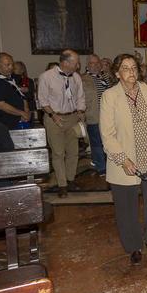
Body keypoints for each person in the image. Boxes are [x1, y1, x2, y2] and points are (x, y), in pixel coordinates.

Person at [101, 53, 147, 265]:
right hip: (125, 161)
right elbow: (107, 134)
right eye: (126, 68)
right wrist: (123, 159)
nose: (131, 72)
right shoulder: (110, 96)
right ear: (117, 73)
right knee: (126, 209)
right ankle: (133, 246)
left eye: (134, 68)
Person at [37, 49, 86, 198]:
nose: (78, 65)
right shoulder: (46, 77)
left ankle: (70, 180)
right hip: (54, 118)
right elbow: (42, 100)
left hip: (72, 118)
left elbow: (80, 96)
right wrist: (53, 115)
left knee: (73, 152)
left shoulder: (76, 77)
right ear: (65, 63)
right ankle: (62, 185)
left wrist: (80, 112)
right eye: (76, 62)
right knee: (58, 153)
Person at [0, 52, 30, 130]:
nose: (11, 67)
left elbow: (21, 95)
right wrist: (21, 113)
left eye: (12, 65)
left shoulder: (11, 79)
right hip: (2, 125)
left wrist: (26, 110)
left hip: (18, 121)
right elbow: (0, 104)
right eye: (7, 65)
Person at [81, 54, 110, 176]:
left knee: (108, 142)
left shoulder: (106, 78)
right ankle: (101, 167)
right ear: (88, 65)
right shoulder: (82, 79)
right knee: (96, 142)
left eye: (98, 63)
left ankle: (110, 165)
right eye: (93, 63)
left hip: (108, 115)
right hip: (93, 115)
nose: (96, 65)